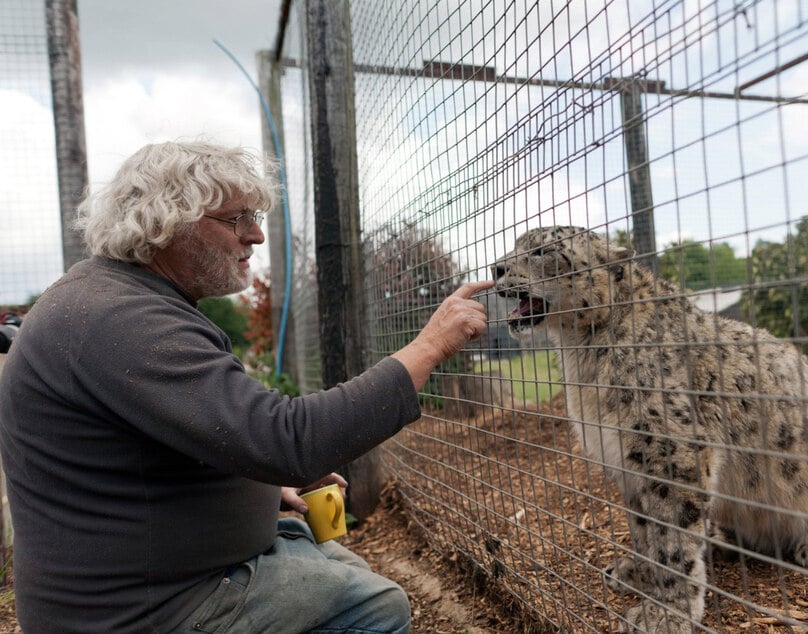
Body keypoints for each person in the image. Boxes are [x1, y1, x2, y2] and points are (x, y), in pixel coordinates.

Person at [0, 141, 493, 633]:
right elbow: (287, 440)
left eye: (254, 217)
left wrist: (255, 485)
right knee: (374, 608)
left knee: (343, 566)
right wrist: (428, 347)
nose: (255, 235)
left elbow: (167, 445)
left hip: (149, 578)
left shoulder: (116, 299)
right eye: (236, 219)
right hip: (138, 612)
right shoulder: (122, 320)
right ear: (166, 223)